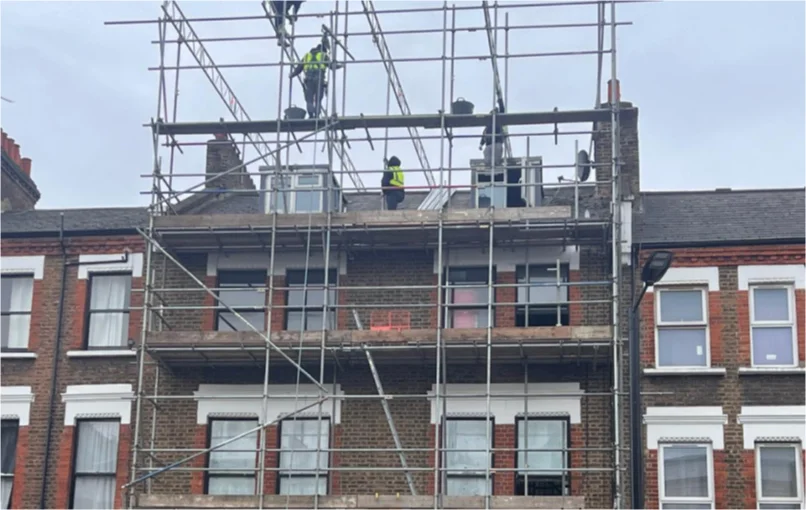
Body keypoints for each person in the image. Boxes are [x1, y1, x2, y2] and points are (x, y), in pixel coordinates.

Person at [289, 40, 342, 119]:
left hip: (309, 80)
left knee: (309, 99)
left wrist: (292, 75)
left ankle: (311, 115)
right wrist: (340, 65)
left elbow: (299, 68)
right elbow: (331, 66)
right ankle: (316, 115)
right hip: (319, 80)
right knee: (318, 99)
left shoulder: (307, 56)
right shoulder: (323, 55)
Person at [478, 100, 507, 169]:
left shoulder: (499, 120)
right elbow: (484, 134)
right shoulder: (488, 125)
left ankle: (496, 174)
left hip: (497, 143)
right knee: (488, 163)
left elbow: (502, 110)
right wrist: (481, 144)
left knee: (496, 162)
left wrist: (500, 101)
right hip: (488, 145)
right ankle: (490, 174)